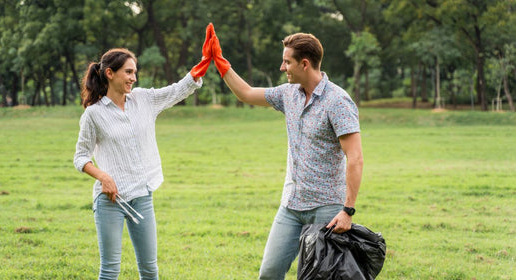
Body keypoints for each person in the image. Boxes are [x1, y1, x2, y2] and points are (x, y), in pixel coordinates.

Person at [209, 26, 364, 279]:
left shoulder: (338, 101)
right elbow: (246, 93)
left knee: (321, 276)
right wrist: (220, 61)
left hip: (327, 209)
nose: (282, 68)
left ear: (304, 64)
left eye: (286, 62)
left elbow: (355, 158)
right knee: (269, 273)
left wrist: (347, 210)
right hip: (291, 206)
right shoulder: (288, 94)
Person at [73, 24, 214, 280]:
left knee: (150, 271)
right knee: (109, 271)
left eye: (134, 72)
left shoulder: (143, 100)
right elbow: (81, 157)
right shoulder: (94, 114)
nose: (133, 78)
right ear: (110, 73)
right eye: (128, 72)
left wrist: (205, 61)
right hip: (110, 202)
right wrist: (103, 177)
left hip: (142, 196)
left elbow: (178, 89)